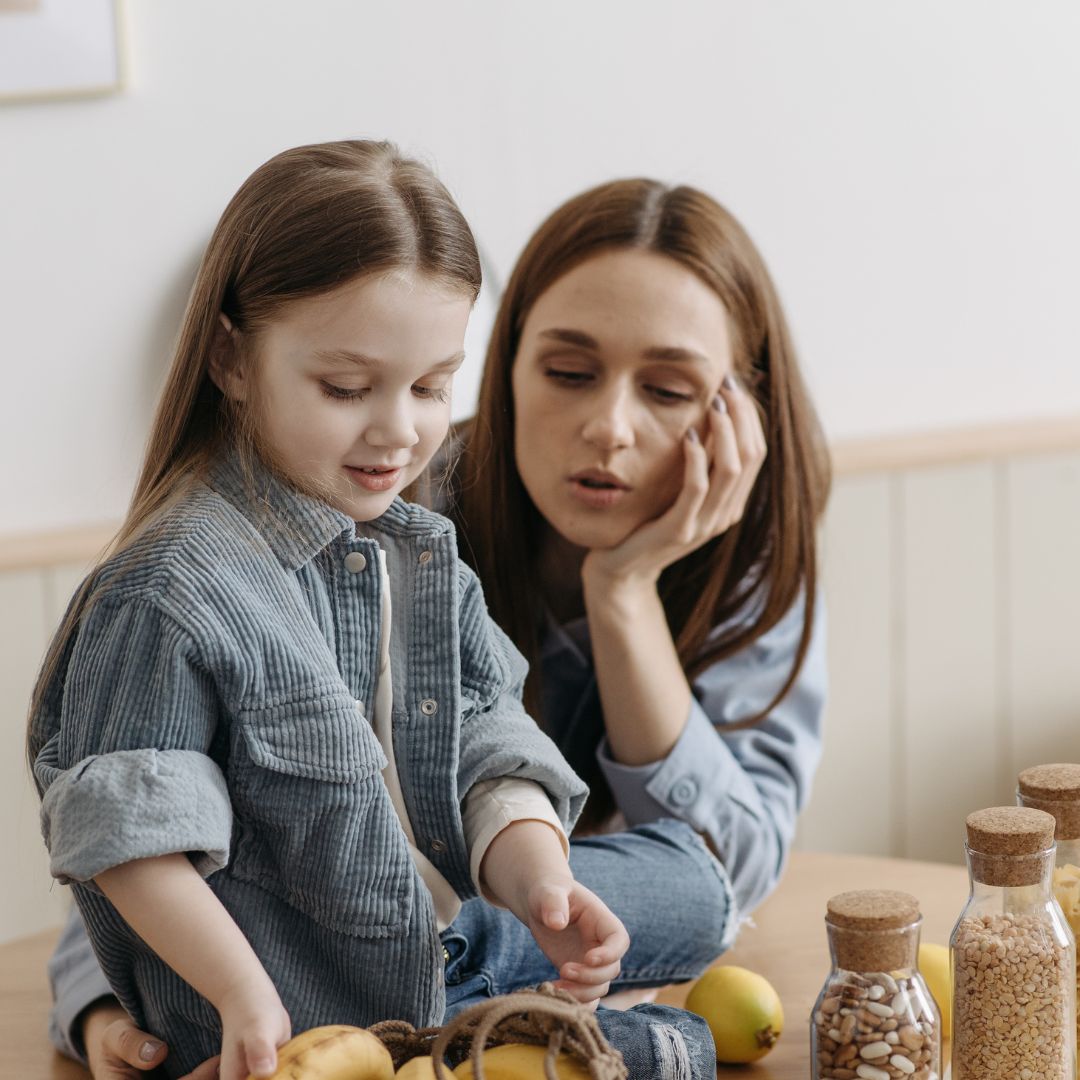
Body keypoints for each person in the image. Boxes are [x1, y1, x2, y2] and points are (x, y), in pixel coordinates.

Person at [51, 174, 828, 1079]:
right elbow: (128, 817)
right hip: (299, 974)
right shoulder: (190, 576)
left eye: (430, 385)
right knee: (656, 1043)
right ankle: (483, 1011)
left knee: (691, 923)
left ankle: (477, 1003)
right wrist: (130, 1000)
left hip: (441, 926)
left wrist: (543, 879)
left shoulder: (417, 545)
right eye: (347, 387)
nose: (609, 428)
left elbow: (489, 742)